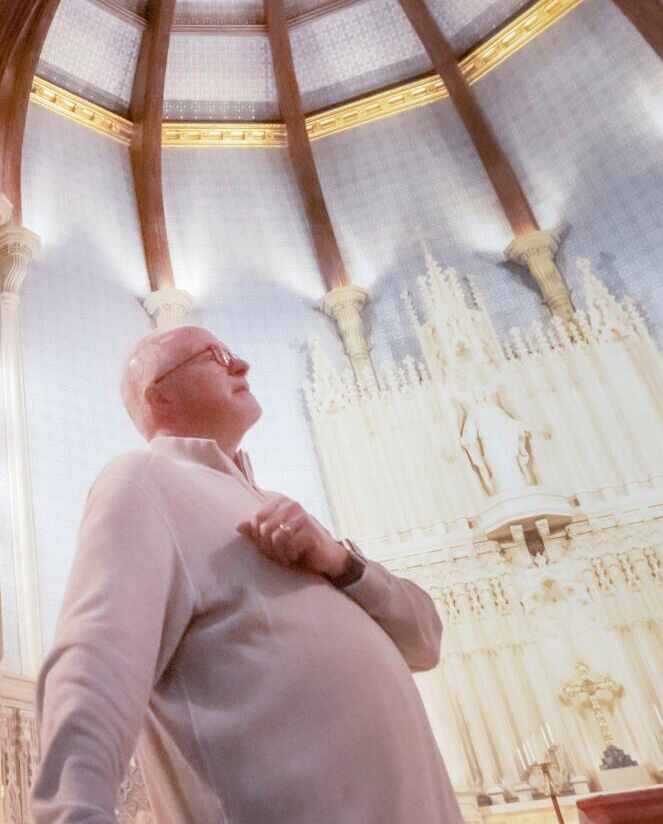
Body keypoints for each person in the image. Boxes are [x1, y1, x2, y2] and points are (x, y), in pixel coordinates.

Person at [31, 325, 462, 823]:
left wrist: (343, 563)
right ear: (160, 395)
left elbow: (424, 641)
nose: (241, 365)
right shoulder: (145, 480)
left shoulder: (287, 517)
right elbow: (90, 673)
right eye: (215, 356)